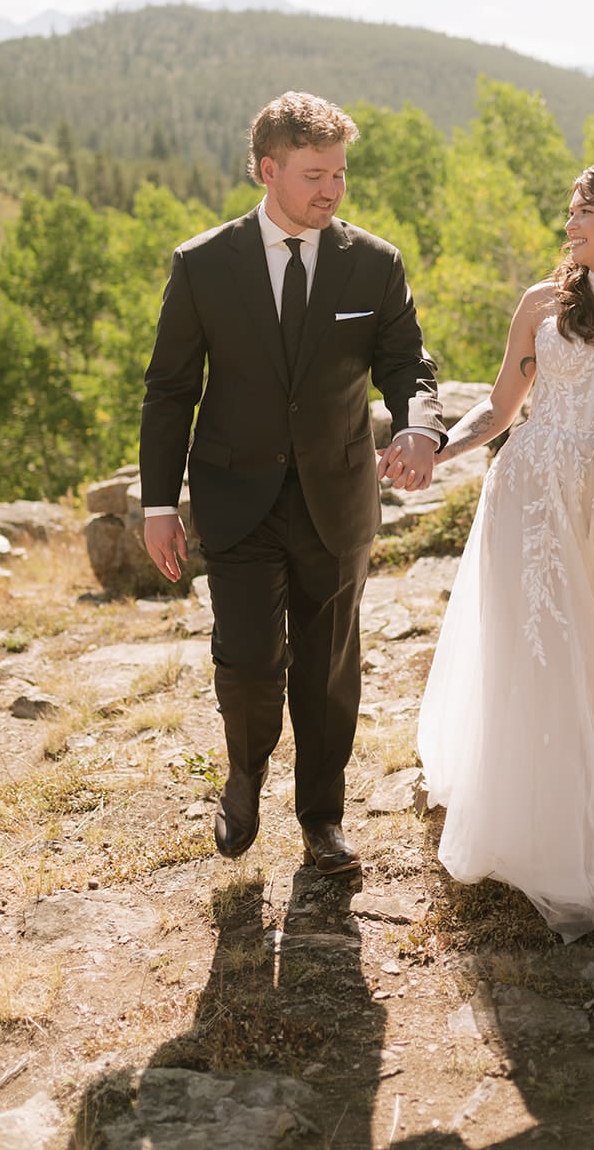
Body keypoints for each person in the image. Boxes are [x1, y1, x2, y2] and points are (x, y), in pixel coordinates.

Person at [141, 92, 445, 874]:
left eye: (339, 173)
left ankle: (322, 819)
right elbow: (170, 390)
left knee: (327, 666)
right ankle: (244, 776)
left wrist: (416, 422)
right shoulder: (203, 264)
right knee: (245, 660)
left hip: (336, 500)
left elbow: (407, 362)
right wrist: (155, 504)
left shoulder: (372, 262)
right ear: (268, 169)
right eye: (315, 174)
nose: (332, 190)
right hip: (234, 500)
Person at [416, 161, 594, 941]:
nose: (570, 224)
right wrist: (439, 450)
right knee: (543, 645)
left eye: (585, 212)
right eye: (570, 210)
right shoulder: (541, 305)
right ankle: (539, 811)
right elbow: (500, 403)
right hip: (531, 492)